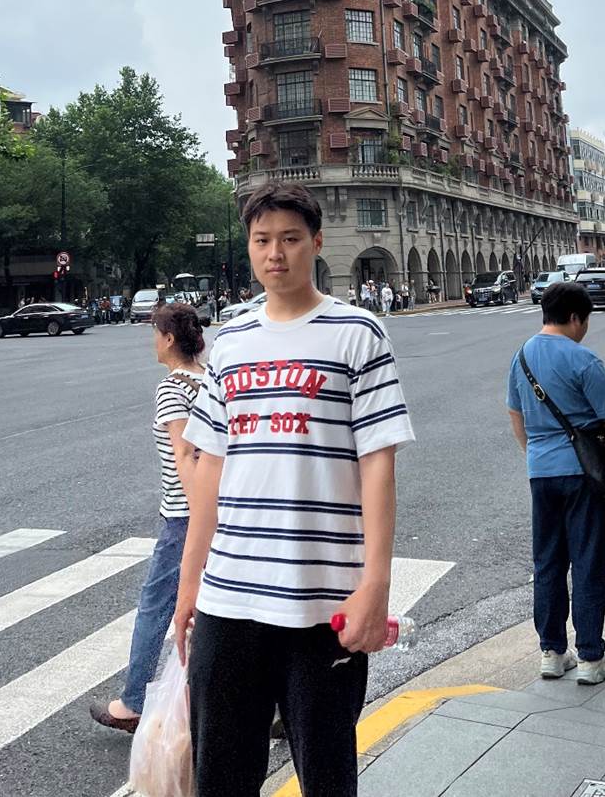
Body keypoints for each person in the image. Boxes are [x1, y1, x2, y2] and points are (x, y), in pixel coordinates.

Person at [174, 182, 414, 797]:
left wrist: (375, 585)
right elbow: (210, 470)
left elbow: (377, 463)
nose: (274, 253)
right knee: (220, 776)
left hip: (322, 602)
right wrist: (189, 585)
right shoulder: (231, 340)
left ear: (316, 242)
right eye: (261, 241)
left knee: (327, 774)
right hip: (230, 598)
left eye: (289, 239)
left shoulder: (357, 333)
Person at [507, 282, 605, 684]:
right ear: (575, 318)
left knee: (548, 563)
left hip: (541, 472)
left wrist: (534, 454)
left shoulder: (521, 357)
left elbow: (515, 414)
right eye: (585, 321)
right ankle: (591, 656)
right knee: (589, 560)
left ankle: (552, 652)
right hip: (585, 474)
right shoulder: (582, 358)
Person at [90, 301, 205, 733]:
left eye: (155, 333)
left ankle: (134, 701)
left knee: (156, 606)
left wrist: (199, 520)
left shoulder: (173, 388)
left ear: (169, 339)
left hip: (186, 516)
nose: (152, 341)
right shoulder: (211, 380)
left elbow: (184, 454)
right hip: (218, 509)